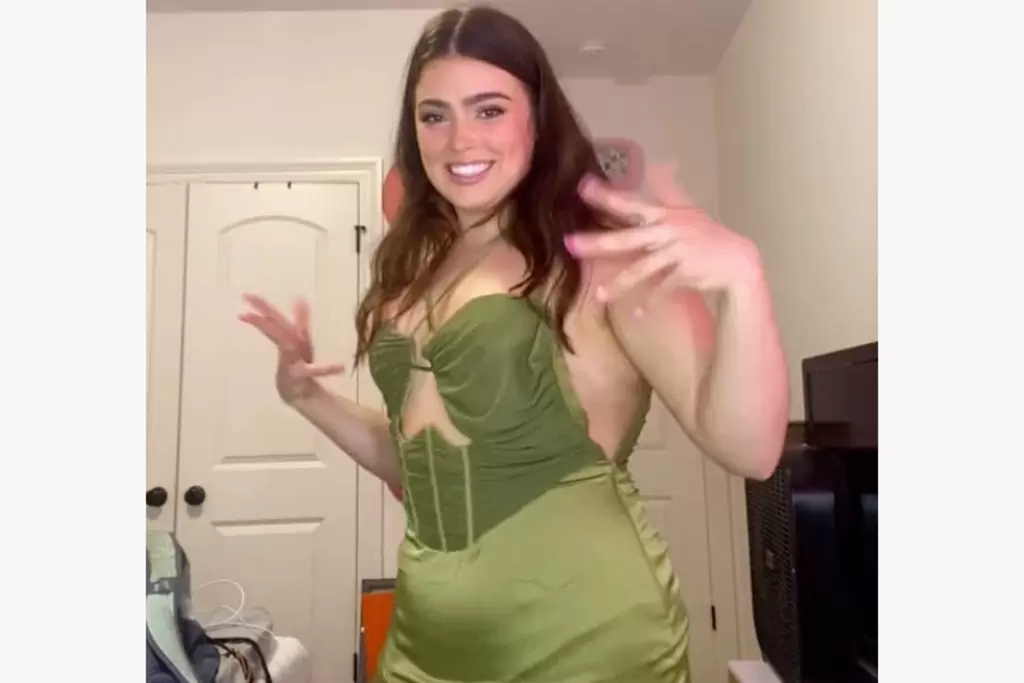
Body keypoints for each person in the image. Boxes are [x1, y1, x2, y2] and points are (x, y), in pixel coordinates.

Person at [240, 5, 788, 682]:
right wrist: (305, 396)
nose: (459, 140)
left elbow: (751, 449)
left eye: (489, 109)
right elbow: (417, 462)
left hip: (584, 647)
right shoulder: (415, 266)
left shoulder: (602, 255)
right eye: (434, 115)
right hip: (423, 648)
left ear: (538, 116)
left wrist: (744, 280)